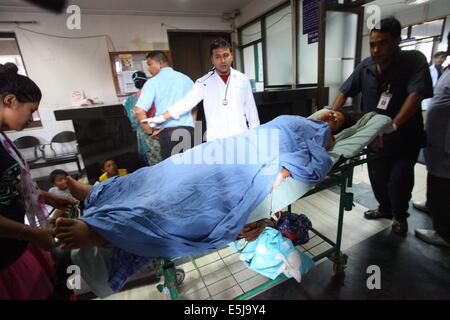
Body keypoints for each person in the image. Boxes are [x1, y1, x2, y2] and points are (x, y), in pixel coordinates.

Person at [52, 110, 357, 255]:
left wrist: (288, 166)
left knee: (188, 191)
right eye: (333, 114)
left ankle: (100, 230)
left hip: (247, 161)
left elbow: (318, 163)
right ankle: (96, 192)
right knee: (169, 170)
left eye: (338, 120)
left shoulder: (319, 135)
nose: (333, 119)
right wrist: (321, 114)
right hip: (237, 144)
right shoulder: (302, 119)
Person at [331, 17, 433, 236]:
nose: (376, 49)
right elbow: (344, 91)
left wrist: (394, 125)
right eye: (372, 43)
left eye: (383, 43)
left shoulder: (414, 60)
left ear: (396, 40)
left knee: (398, 181)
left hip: (404, 136)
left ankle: (399, 216)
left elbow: (416, 94)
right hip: (375, 138)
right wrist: (331, 117)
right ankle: (384, 209)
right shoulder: (366, 66)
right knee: (377, 177)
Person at [0, 66, 76, 299]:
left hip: (14, 245)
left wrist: (50, 197)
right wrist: (31, 233)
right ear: (10, 100)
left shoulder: (2, 138)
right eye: (31, 110)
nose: (31, 118)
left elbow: (10, 183)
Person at [143, 38, 260, 142]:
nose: (223, 61)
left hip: (240, 135)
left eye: (225, 55)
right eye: (217, 57)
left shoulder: (242, 79)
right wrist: (160, 118)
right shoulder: (203, 82)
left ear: (231, 56)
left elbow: (251, 110)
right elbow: (185, 104)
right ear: (212, 59)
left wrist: (255, 136)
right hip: (216, 139)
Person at [415, 32, 450, 248]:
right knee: (435, 175)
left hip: (447, 141)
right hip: (437, 137)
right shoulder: (447, 69)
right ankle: (432, 205)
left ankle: (444, 232)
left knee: (444, 182)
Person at [134, 51, 195, 160]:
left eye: (149, 64)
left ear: (160, 63)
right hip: (188, 132)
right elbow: (194, 106)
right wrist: (192, 125)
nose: (148, 68)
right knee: (190, 170)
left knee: (172, 172)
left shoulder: (152, 82)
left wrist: (150, 131)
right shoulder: (186, 79)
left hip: (168, 133)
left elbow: (139, 111)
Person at [123, 71, 161, 166]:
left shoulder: (129, 100)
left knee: (152, 165)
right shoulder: (154, 94)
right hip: (156, 131)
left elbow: (133, 122)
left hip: (142, 135)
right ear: (147, 81)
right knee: (163, 160)